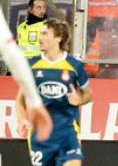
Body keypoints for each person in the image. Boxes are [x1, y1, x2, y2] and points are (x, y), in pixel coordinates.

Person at [17, 19, 91, 166]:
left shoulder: (75, 66)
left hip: (67, 131)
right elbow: (20, 99)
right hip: (41, 135)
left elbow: (88, 94)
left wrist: (79, 99)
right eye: (40, 34)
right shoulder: (31, 65)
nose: (40, 37)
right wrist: (22, 119)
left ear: (58, 38)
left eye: (45, 34)